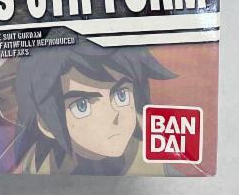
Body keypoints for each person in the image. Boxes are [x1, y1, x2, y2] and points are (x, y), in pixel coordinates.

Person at [14, 35, 175, 175]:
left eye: (121, 95)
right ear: (46, 124)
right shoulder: (37, 168)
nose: (114, 117)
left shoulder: (157, 162)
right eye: (82, 106)